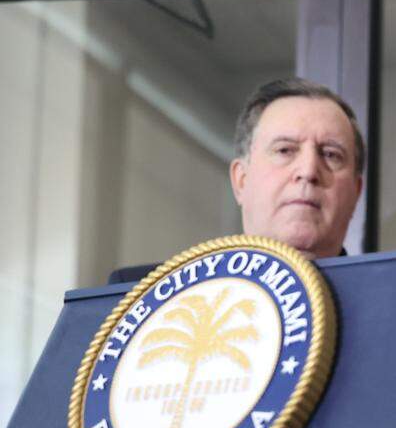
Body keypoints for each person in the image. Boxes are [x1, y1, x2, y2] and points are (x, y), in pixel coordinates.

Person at [107, 78, 364, 283]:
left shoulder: (393, 302)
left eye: (331, 155)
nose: (308, 170)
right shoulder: (141, 296)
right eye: (285, 150)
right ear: (241, 180)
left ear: (356, 192)